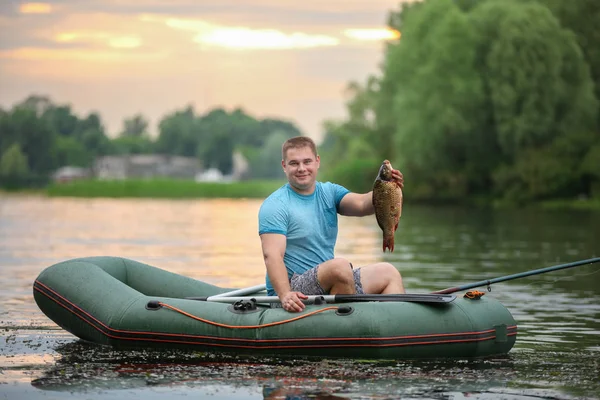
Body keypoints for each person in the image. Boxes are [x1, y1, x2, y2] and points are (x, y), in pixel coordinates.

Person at [258, 136, 405, 313]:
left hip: (328, 282)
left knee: (388, 272)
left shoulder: (329, 191)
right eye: (294, 163)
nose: (302, 168)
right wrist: (284, 294)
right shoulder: (276, 204)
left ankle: (392, 330)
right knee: (340, 267)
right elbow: (272, 256)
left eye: (307, 162)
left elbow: (362, 204)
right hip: (292, 288)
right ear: (284, 166)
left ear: (317, 162)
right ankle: (349, 324)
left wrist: (386, 187)